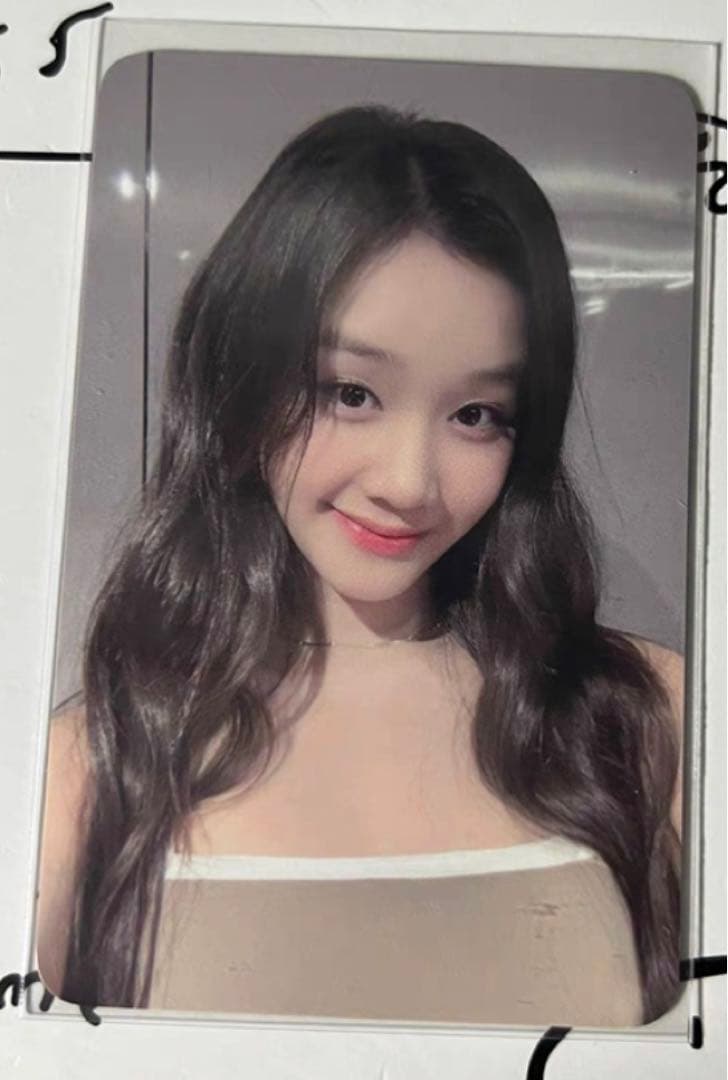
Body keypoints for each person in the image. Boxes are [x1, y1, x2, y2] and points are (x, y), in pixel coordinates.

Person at [37, 104, 683, 1026]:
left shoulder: (645, 720)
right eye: (351, 393)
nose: (409, 483)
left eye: (476, 415)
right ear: (240, 381)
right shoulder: (94, 764)